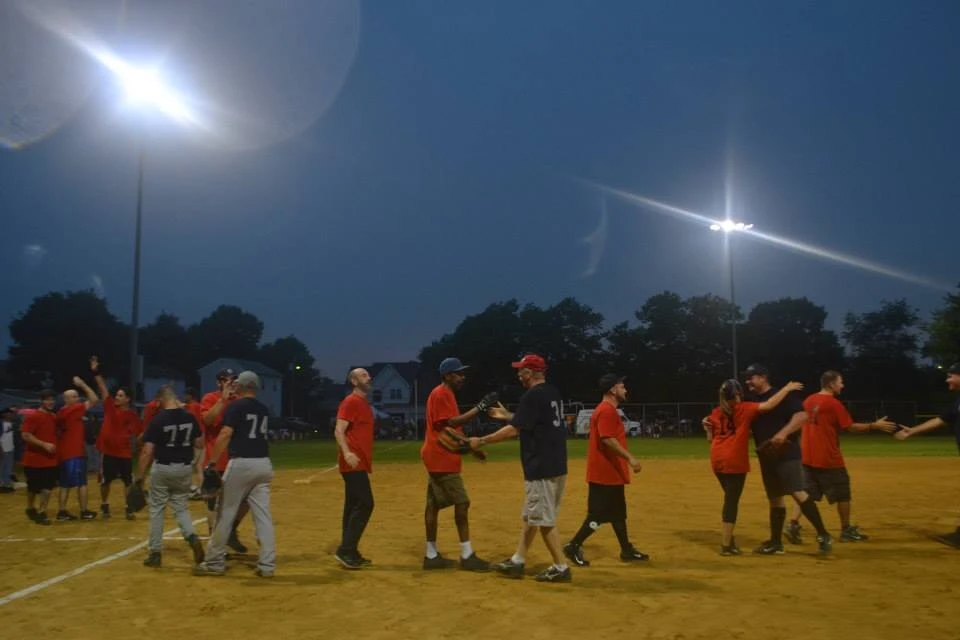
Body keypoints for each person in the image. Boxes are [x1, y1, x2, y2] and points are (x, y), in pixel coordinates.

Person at [470, 354, 571, 583]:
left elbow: (514, 430)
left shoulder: (532, 395)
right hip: (556, 464)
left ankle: (560, 567)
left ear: (533, 372)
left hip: (540, 465)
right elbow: (534, 421)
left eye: (522, 370)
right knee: (531, 516)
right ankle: (518, 559)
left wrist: (482, 440)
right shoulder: (551, 392)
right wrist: (508, 415)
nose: (518, 374)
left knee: (543, 520)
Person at [782, 371, 897, 545]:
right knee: (843, 494)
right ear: (831, 384)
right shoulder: (833, 404)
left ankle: (793, 525)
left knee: (807, 494)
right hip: (828, 457)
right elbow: (849, 427)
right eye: (840, 382)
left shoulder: (809, 400)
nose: (842, 385)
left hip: (807, 456)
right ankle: (846, 530)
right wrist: (874, 425)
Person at [702, 378, 804, 555]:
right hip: (734, 460)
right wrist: (786, 388)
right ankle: (726, 545)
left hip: (717, 459)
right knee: (731, 502)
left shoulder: (716, 412)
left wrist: (707, 428)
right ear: (738, 394)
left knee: (729, 497)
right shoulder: (744, 408)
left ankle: (729, 539)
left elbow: (711, 439)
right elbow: (769, 405)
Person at [741, 363, 833, 556]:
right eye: (747, 378)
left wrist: (783, 433)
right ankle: (776, 542)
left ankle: (823, 534)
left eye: (751, 377)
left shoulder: (786, 396)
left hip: (787, 453)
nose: (748, 381)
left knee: (797, 491)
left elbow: (802, 416)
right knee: (774, 498)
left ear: (763, 377)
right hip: (766, 454)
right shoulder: (751, 398)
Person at [195, 371, 276, 577]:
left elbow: (225, 433)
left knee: (225, 514)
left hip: (241, 463)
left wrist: (211, 462)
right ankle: (267, 565)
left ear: (242, 386)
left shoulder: (236, 406)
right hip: (264, 464)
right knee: (263, 517)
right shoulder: (263, 408)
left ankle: (214, 563)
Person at [563, 374, 647, 567]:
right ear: (612, 390)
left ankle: (626, 549)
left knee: (618, 513)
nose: (625, 390)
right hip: (604, 473)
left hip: (611, 472)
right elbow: (607, 438)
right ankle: (573, 545)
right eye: (622, 387)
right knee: (597, 516)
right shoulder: (607, 411)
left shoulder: (607, 410)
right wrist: (630, 458)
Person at [419, 357, 494, 571]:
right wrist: (479, 407)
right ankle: (467, 554)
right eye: (458, 373)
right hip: (441, 457)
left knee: (432, 506)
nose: (462, 377)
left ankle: (431, 555)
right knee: (462, 502)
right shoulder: (441, 393)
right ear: (447, 375)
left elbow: (450, 431)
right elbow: (451, 424)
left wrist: (471, 449)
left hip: (439, 454)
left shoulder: (445, 394)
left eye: (462, 373)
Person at [138, 385, 205, 568]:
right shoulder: (189, 417)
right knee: (181, 507)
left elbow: (147, 451)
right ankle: (191, 536)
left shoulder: (158, 419)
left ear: (161, 400)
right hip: (184, 468)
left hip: (163, 467)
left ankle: (155, 552)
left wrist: (140, 477)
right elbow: (199, 443)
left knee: (157, 509)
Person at [894, 362, 960, 548]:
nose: (948, 379)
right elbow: (941, 420)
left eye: (951, 375)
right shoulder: (958, 402)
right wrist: (912, 431)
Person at [201, 369, 249, 553]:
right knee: (213, 503)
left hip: (237, 458)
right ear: (218, 382)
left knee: (247, 499)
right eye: (224, 379)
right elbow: (207, 420)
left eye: (232, 379)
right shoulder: (209, 398)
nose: (229, 382)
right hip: (216, 458)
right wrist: (223, 400)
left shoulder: (241, 402)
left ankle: (231, 532)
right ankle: (216, 545)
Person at [333, 368, 376, 569]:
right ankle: (345, 550)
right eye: (363, 375)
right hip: (352, 463)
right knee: (366, 503)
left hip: (360, 463)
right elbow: (338, 430)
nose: (369, 378)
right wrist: (347, 452)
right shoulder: (350, 402)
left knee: (352, 506)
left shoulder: (364, 404)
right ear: (353, 381)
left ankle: (349, 550)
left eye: (368, 375)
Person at [92, 357, 144, 520]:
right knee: (106, 481)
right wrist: (95, 371)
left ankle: (128, 507)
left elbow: (139, 434)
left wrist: (139, 447)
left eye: (121, 396)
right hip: (108, 452)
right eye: (117, 395)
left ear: (128, 399)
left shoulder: (132, 416)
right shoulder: (110, 407)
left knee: (127, 482)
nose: (117, 397)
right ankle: (105, 504)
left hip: (124, 453)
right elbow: (103, 388)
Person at [55, 376, 100, 521]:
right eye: (73, 397)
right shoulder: (73, 410)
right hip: (74, 453)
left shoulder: (61, 411)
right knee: (82, 483)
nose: (77, 399)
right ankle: (84, 510)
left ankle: (62, 511)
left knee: (64, 484)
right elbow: (94, 399)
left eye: (76, 396)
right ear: (66, 399)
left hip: (65, 453)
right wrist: (83, 384)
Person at [21, 390, 59, 525]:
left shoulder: (54, 417)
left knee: (47, 488)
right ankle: (30, 508)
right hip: (34, 460)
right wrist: (43, 444)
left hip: (50, 459)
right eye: (47, 400)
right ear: (41, 401)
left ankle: (42, 512)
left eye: (52, 399)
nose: (50, 402)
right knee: (33, 488)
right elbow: (26, 435)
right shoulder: (34, 416)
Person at [183, 387, 205, 500]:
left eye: (186, 395)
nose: (184, 397)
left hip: (196, 437)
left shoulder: (192, 407)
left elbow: (193, 423)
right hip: (202, 436)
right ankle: (200, 488)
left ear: (190, 396)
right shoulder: (198, 405)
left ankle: (191, 487)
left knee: (190, 464)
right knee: (199, 466)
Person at [1, 407, 16, 493]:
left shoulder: (11, 423)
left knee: (8, 467)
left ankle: (7, 483)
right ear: (4, 414)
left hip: (10, 448)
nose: (11, 414)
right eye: (9, 413)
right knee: (2, 467)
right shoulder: (1, 424)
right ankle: (1, 484)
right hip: (3, 449)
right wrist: (1, 449)